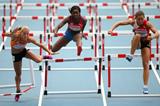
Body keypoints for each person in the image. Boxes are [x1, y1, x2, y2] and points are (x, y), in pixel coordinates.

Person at [108, 11, 159, 94]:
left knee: (146, 64)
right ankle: (131, 55)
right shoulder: (132, 22)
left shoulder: (147, 24)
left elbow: (157, 33)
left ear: (144, 18)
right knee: (137, 35)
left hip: (146, 43)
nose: (141, 21)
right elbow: (119, 23)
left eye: (142, 19)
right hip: (136, 42)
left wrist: (152, 37)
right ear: (135, 19)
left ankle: (145, 87)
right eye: (139, 19)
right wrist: (111, 29)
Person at [3, 26, 58, 101]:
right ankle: (18, 91)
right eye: (24, 33)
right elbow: (4, 34)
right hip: (16, 56)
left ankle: (43, 56)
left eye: (27, 33)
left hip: (24, 52)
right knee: (18, 74)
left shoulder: (28, 39)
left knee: (38, 60)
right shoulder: (15, 36)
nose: (26, 35)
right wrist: (13, 32)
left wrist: (49, 51)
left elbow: (40, 44)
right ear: (21, 32)